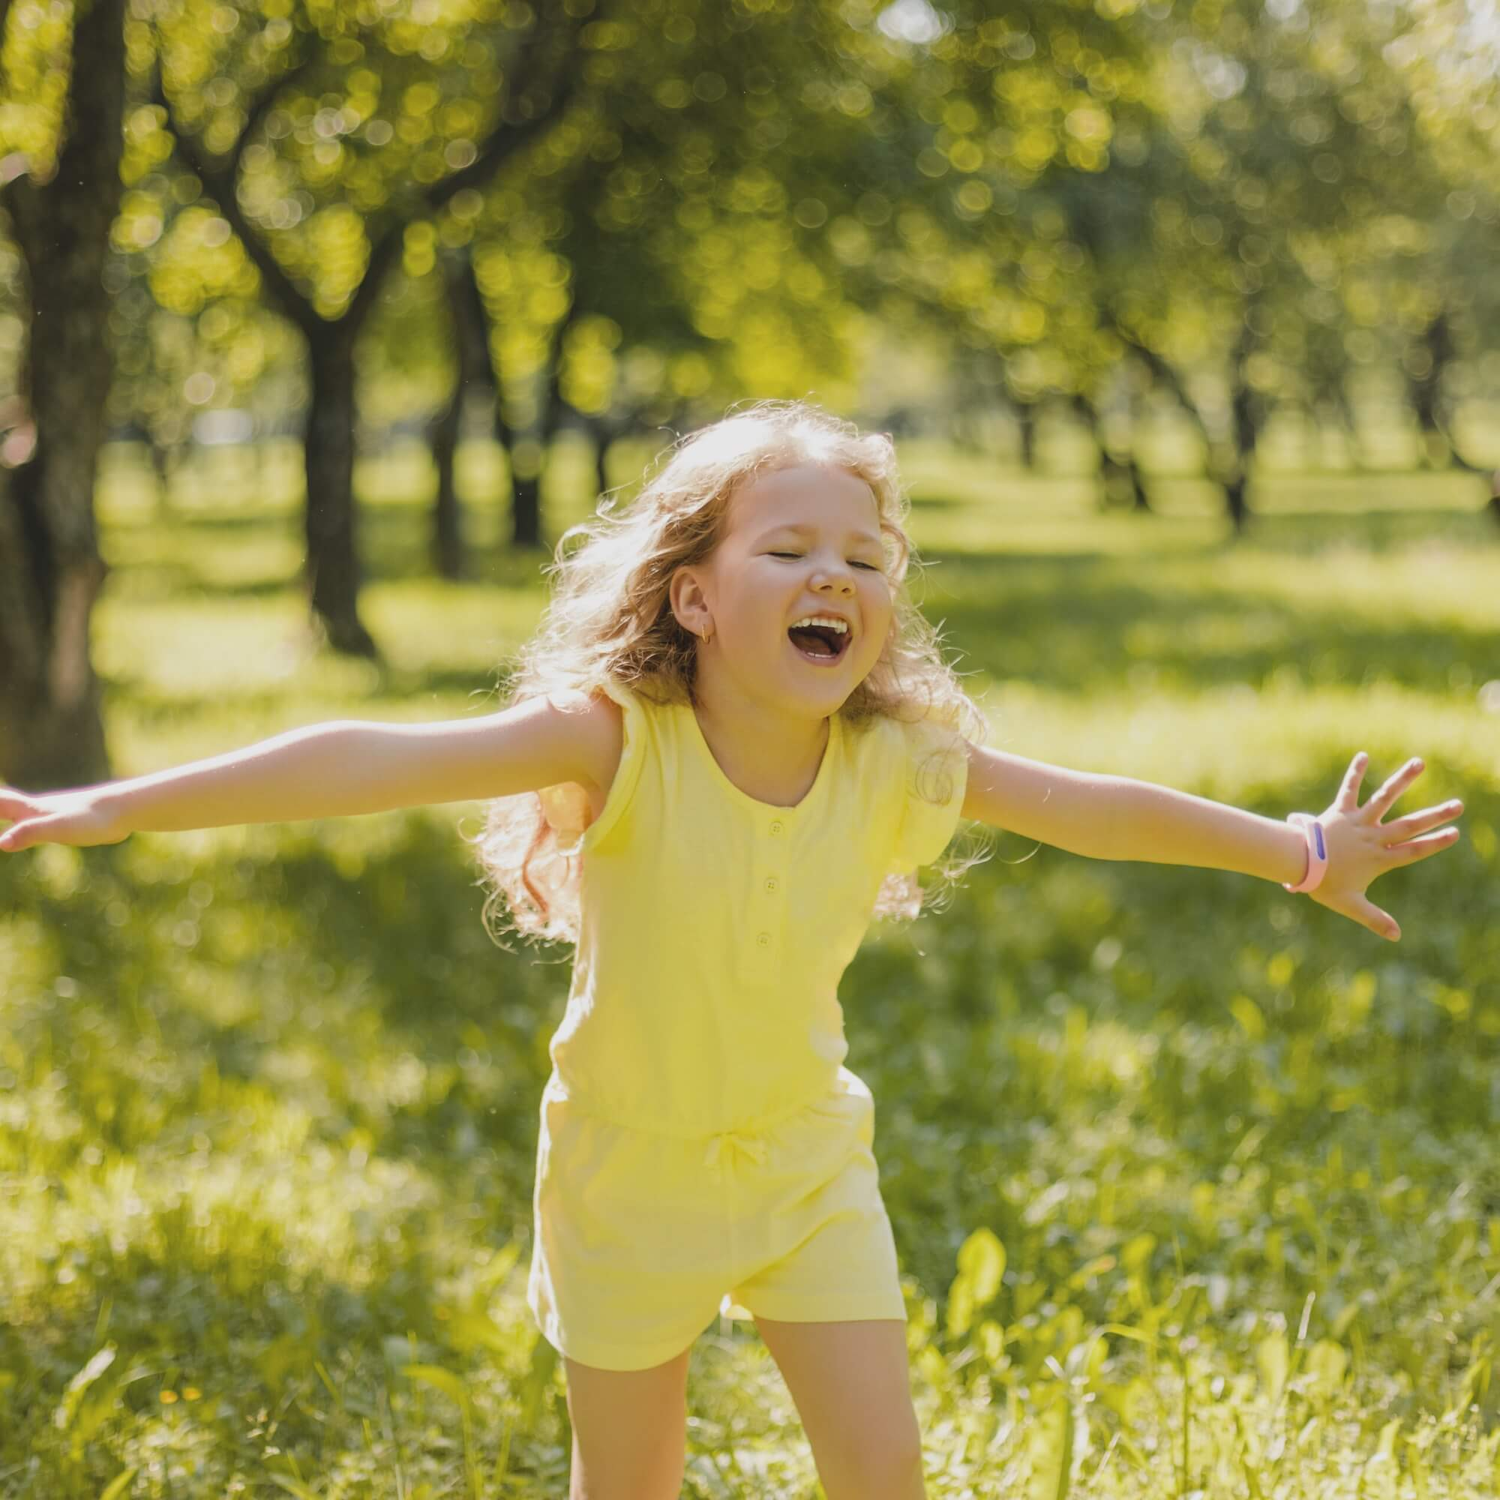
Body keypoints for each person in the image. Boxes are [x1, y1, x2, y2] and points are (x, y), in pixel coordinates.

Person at [0, 400, 1465, 1500]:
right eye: (790, 549)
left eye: (866, 557)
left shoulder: (897, 758)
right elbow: (371, 758)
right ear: (694, 595)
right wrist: (116, 806)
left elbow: (1100, 809)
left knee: (883, 1477)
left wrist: (1299, 850)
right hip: (623, 1174)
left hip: (803, 1162)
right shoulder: (617, 740)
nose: (837, 575)